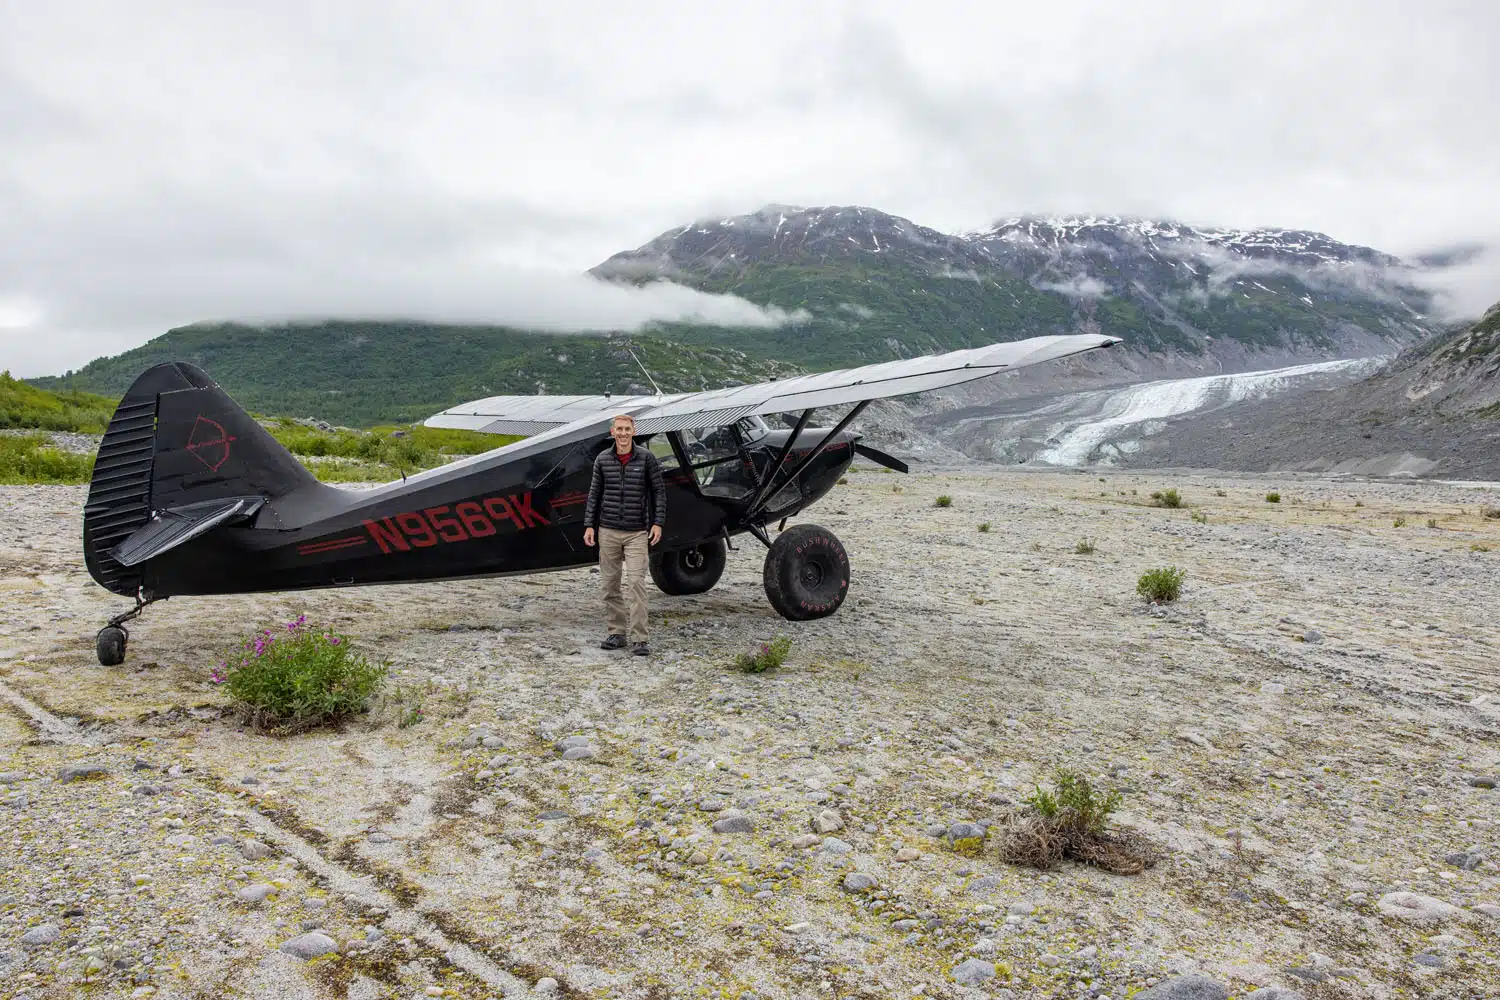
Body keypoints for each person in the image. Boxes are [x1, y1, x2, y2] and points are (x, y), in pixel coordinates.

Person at [582, 414, 666, 655]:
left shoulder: (647, 458)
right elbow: (594, 494)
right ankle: (616, 633)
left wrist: (658, 522)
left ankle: (640, 638)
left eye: (626, 429)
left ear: (633, 431)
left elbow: (658, 493)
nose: (622, 433)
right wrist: (589, 525)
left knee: (637, 583)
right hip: (607, 530)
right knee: (610, 585)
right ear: (612, 431)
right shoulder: (603, 459)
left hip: (637, 531)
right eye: (618, 429)